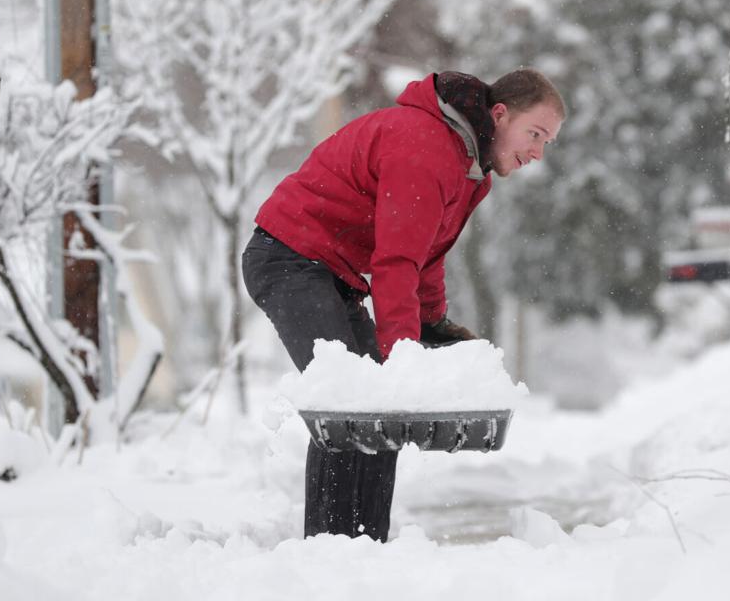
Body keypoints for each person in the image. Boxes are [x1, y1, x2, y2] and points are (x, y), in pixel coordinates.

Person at [242, 68, 565, 541]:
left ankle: (367, 543)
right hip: (289, 257)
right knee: (347, 404)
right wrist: (402, 358)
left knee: (377, 414)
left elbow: (425, 253)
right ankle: (329, 548)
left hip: (331, 272)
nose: (538, 152)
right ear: (499, 114)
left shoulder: (468, 167)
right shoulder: (427, 146)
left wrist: (431, 322)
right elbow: (396, 263)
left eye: (547, 142)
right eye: (534, 134)